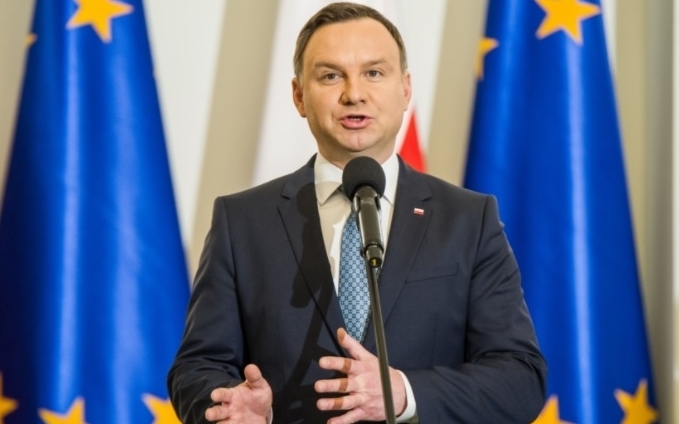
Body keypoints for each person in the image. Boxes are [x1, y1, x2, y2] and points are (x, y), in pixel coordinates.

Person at [167, 2, 547, 423]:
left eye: (374, 73)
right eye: (331, 76)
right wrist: (228, 407)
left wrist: (406, 393)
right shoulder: (241, 222)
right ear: (299, 96)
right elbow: (196, 368)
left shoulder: (468, 221)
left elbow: (520, 378)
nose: (354, 94)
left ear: (405, 89)